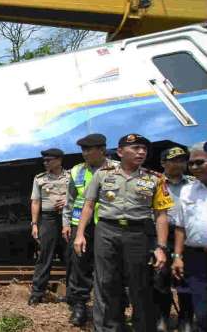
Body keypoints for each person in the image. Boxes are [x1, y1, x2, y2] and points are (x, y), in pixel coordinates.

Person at [74, 133, 172, 331]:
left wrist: (161, 247)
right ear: (120, 152)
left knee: (140, 283)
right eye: (135, 148)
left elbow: (161, 215)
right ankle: (108, 328)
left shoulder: (156, 179)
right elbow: (89, 205)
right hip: (107, 230)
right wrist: (80, 234)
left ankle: (142, 327)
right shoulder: (103, 174)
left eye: (144, 149)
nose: (141, 152)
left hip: (138, 233)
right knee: (106, 281)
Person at [62, 133, 118, 326]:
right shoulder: (76, 170)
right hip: (81, 225)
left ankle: (111, 308)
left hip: (108, 223)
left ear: (102, 150)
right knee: (79, 265)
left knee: (111, 267)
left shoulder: (117, 169)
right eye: (82, 150)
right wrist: (66, 223)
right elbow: (69, 200)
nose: (84, 153)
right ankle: (79, 306)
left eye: (88, 149)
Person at [155, 146, 194, 332]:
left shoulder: (194, 183)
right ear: (163, 163)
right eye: (174, 160)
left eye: (182, 160)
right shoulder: (155, 182)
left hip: (187, 235)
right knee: (160, 278)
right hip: (161, 235)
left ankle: (185, 318)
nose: (179, 164)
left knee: (185, 278)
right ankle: (162, 316)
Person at [171, 141, 207, 332]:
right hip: (196, 258)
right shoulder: (188, 190)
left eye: (199, 162)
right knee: (202, 312)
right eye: (191, 163)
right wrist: (177, 256)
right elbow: (180, 227)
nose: (194, 167)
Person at [28, 148, 70, 305]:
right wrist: (34, 224)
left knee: (70, 256)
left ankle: (72, 294)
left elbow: (81, 195)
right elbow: (36, 201)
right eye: (44, 161)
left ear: (59, 160)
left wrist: (68, 200)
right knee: (45, 255)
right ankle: (37, 292)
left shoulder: (71, 177)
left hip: (67, 218)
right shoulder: (39, 179)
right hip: (48, 219)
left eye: (49, 160)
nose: (45, 163)